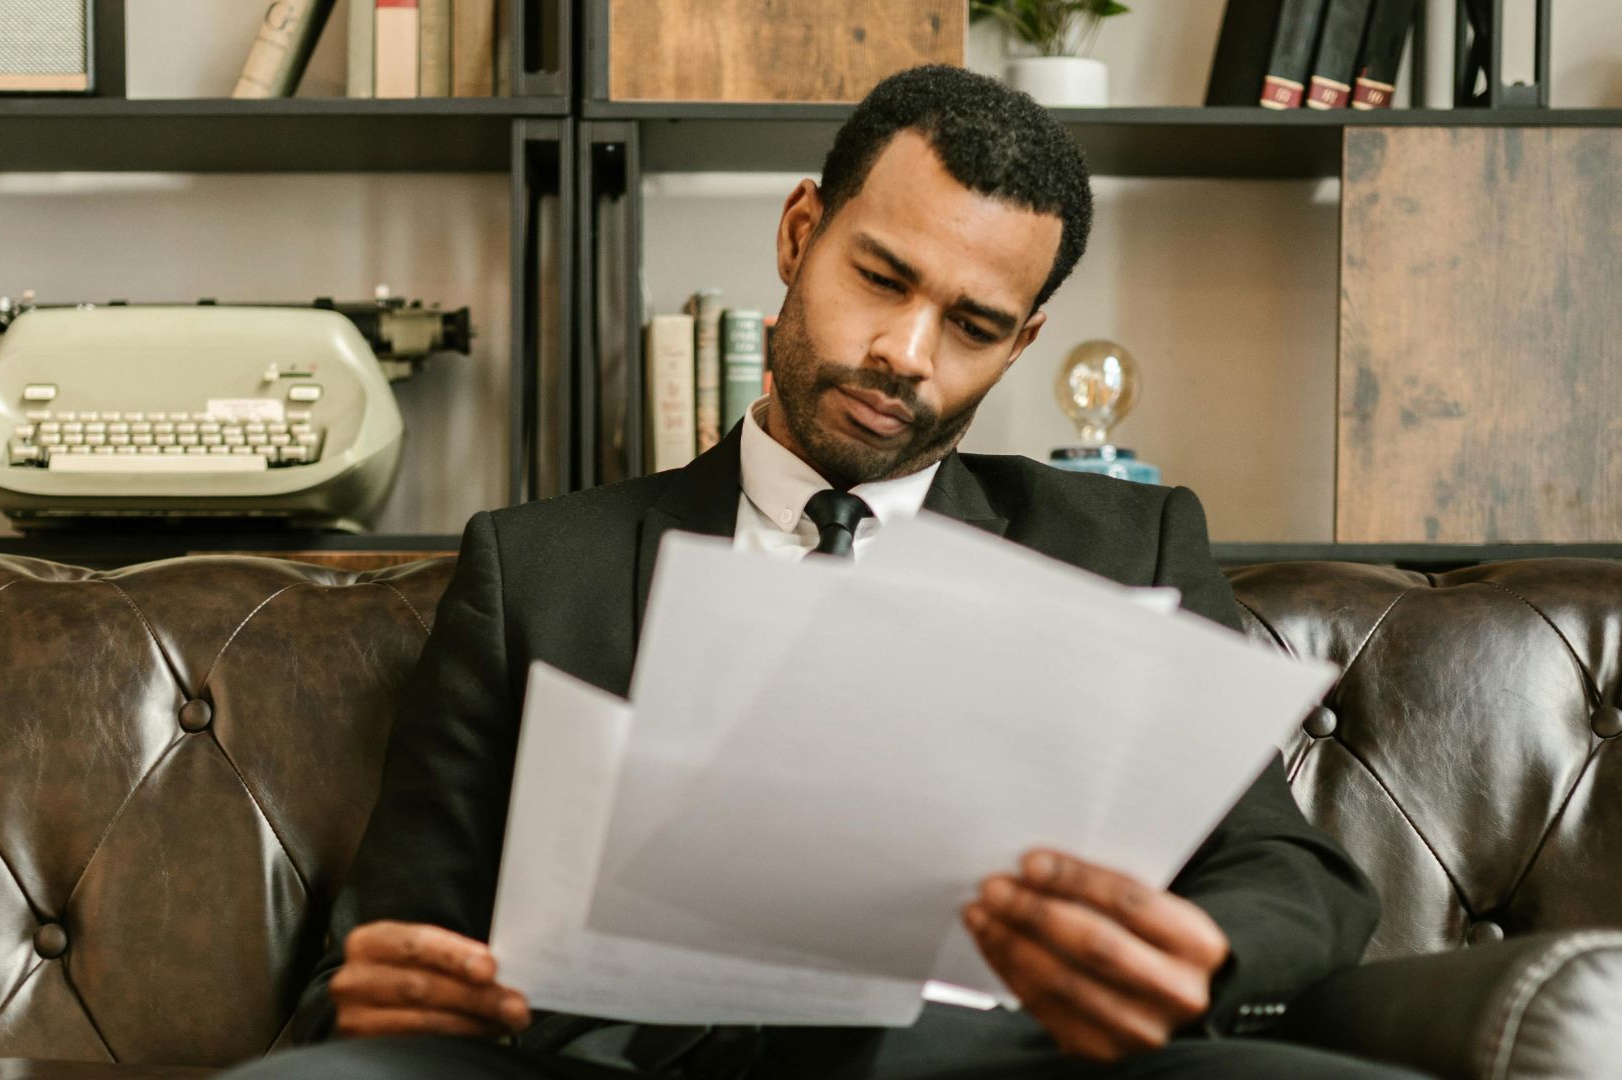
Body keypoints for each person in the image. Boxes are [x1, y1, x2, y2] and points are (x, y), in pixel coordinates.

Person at [224, 65, 1428, 1080]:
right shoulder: (534, 568)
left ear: (1023, 342)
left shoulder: (1126, 545)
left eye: (972, 325)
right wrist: (384, 991)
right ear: (802, 234)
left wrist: (1196, 954)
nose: (906, 355)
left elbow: (1292, 874)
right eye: (883, 278)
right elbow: (378, 954)